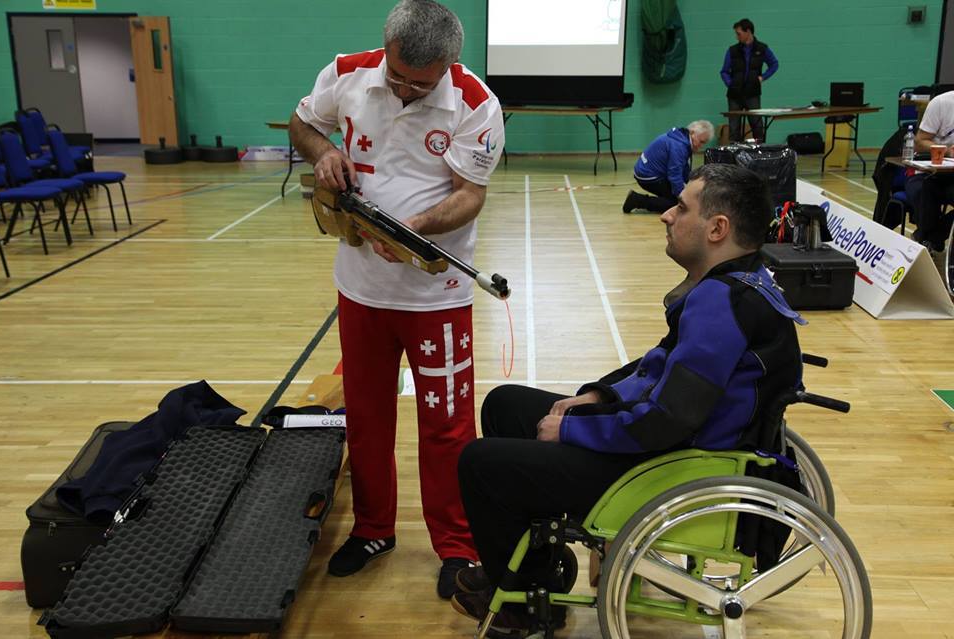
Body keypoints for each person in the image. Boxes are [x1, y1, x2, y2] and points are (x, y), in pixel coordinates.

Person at [451, 164, 804, 635]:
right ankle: (538, 570)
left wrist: (574, 428)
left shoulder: (721, 303)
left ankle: (521, 606)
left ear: (717, 229)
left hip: (672, 466)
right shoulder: (743, 280)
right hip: (686, 447)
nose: (666, 215)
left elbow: (667, 421)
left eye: (682, 207)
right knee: (506, 404)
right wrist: (601, 395)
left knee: (480, 463)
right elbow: (663, 363)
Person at [289, 0, 505, 599]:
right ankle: (373, 529)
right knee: (366, 417)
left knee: (447, 426)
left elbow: (469, 196)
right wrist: (323, 152)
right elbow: (302, 123)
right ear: (385, 49)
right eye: (398, 75)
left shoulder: (476, 103)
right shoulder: (348, 72)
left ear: (448, 65)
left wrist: (411, 231)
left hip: (436, 296)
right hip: (360, 290)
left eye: (422, 81)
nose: (407, 89)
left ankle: (456, 546)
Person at [622, 120, 714, 213]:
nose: (701, 146)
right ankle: (636, 200)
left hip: (646, 171)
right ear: (692, 132)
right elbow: (674, 175)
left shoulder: (681, 137)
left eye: (704, 143)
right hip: (649, 177)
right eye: (701, 142)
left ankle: (660, 199)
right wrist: (683, 198)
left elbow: (684, 169)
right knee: (676, 204)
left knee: (676, 197)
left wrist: (693, 184)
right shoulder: (679, 146)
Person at [906, 90, 954, 253]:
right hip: (928, 172)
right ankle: (927, 237)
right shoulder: (942, 103)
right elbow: (920, 142)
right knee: (924, 190)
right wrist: (947, 151)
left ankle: (933, 237)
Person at [720, 18, 779, 143]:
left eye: (739, 33)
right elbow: (724, 71)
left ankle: (760, 151)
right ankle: (734, 153)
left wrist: (763, 77)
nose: (737, 37)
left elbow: (774, 64)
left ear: (748, 32)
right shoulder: (732, 50)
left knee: (757, 125)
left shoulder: (762, 48)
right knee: (734, 127)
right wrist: (730, 84)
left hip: (753, 93)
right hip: (734, 95)